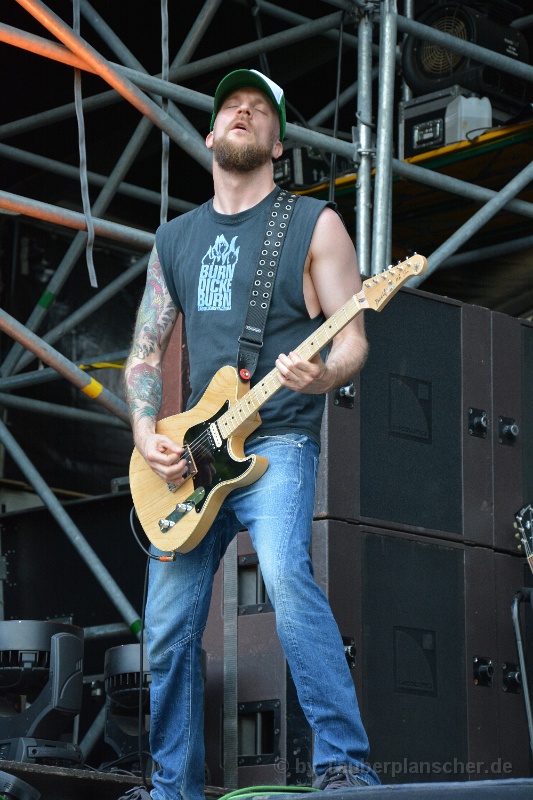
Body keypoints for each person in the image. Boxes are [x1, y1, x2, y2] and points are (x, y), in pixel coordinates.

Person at [121, 69, 380, 800]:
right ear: (209, 135)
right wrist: (143, 430)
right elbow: (143, 353)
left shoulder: (312, 224)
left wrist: (321, 376)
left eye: (260, 109)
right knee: (166, 625)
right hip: (191, 458)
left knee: (287, 578)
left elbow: (353, 341)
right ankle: (172, 788)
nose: (243, 112)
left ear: (277, 143)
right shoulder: (175, 239)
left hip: (278, 439)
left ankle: (343, 765)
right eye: (231, 106)